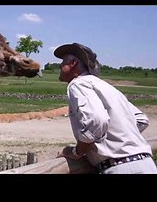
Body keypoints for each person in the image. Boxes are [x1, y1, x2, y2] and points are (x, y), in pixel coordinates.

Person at [54, 42, 157, 174]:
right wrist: (117, 139)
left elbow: (97, 121)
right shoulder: (105, 86)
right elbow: (142, 120)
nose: (60, 65)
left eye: (63, 62)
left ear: (73, 63)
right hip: (146, 164)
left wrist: (77, 152)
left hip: (119, 168)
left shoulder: (77, 84)